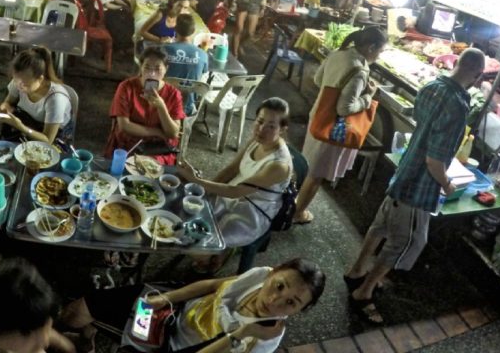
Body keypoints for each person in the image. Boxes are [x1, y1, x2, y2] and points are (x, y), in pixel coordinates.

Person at [344, 48, 486, 324]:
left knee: (381, 225)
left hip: (404, 171)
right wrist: (446, 184)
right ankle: (364, 291)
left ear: (456, 63)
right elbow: (435, 160)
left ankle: (356, 270)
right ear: (478, 74)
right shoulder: (457, 106)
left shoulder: (432, 86)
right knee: (407, 242)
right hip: (419, 186)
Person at [60, 258, 325, 353]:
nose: (274, 301)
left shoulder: (262, 340)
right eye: (279, 286)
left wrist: (241, 334)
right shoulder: (260, 274)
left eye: (291, 303)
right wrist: (165, 299)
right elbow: (212, 286)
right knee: (75, 312)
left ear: (300, 311)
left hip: (168, 347)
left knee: (88, 317)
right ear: (273, 272)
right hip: (172, 311)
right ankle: (86, 340)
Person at [178, 98, 292, 265]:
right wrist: (203, 192)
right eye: (260, 121)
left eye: (271, 126)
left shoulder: (279, 165)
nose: (261, 129)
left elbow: (236, 191)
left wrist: (196, 180)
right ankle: (215, 252)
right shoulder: (257, 140)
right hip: (230, 194)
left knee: (197, 250)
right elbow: (232, 169)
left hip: (253, 211)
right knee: (185, 218)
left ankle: (224, 252)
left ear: (282, 129)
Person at [293, 26, 388, 224]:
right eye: (380, 51)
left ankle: (294, 202)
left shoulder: (339, 54)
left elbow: (318, 79)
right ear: (371, 47)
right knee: (316, 175)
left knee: (307, 165)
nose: (379, 56)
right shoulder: (359, 71)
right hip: (333, 127)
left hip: (318, 115)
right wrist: (368, 97)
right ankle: (298, 212)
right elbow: (345, 108)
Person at [105, 46, 184, 165]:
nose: (152, 73)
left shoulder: (174, 94)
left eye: (158, 69)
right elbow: (124, 126)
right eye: (147, 67)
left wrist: (161, 107)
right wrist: (156, 132)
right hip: (128, 143)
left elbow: (173, 133)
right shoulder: (126, 87)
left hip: (158, 148)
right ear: (141, 68)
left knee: (151, 168)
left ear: (166, 69)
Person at [0, 48, 74, 145]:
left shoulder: (55, 99)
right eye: (16, 80)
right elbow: (8, 102)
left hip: (52, 136)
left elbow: (48, 140)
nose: (19, 86)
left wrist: (21, 127)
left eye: (25, 84)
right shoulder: (19, 81)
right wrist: (4, 109)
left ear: (40, 79)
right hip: (28, 123)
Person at [162, 13, 208, 115]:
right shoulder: (203, 54)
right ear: (193, 31)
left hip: (163, 103)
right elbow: (203, 74)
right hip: (187, 107)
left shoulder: (164, 49)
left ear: (175, 29)